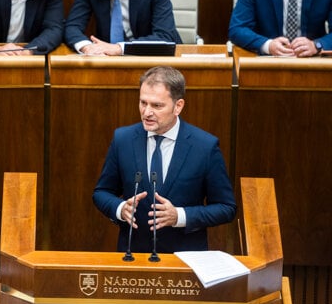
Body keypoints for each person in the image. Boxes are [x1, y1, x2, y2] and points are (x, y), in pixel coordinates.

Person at [93, 66, 236, 254]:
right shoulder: (123, 140)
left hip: (184, 260)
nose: (146, 112)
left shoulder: (205, 147)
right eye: (143, 103)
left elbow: (226, 208)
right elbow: (102, 192)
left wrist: (179, 216)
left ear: (178, 106)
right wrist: (121, 209)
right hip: (134, 257)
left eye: (157, 106)